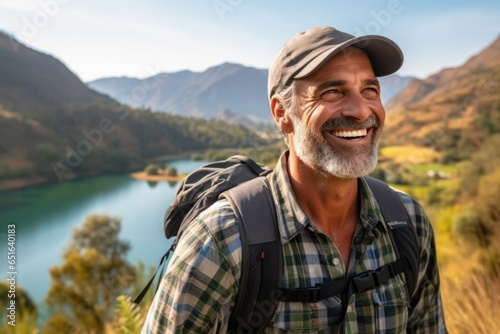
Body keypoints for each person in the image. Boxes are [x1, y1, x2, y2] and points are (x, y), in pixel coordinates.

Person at [142, 26, 447, 333]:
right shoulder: (221, 241)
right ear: (281, 113)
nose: (359, 109)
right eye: (332, 91)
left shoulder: (408, 221)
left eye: (370, 90)